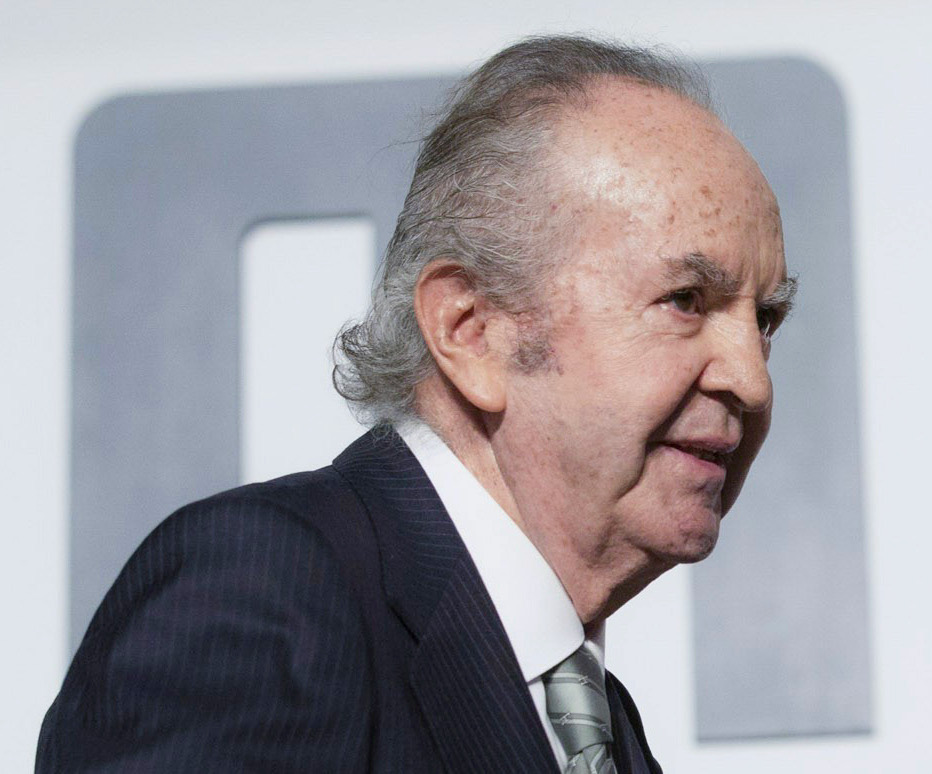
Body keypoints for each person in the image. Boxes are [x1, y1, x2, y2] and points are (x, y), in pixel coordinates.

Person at [37, 35, 795, 773]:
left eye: (764, 320)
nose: (752, 380)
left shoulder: (596, 721)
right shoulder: (264, 593)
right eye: (685, 300)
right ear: (471, 330)